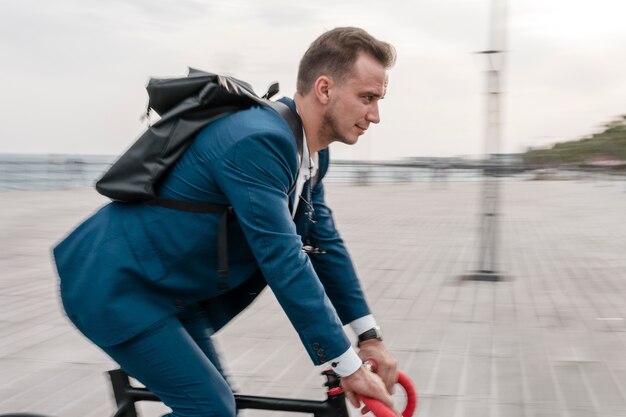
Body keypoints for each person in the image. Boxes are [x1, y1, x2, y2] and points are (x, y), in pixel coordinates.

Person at [53, 27, 398, 417]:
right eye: (368, 98)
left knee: (221, 407)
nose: (376, 115)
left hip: (173, 294)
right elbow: (283, 258)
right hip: (116, 288)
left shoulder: (312, 155)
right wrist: (345, 365)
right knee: (211, 411)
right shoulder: (259, 141)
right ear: (324, 89)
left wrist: (369, 336)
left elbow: (325, 245)